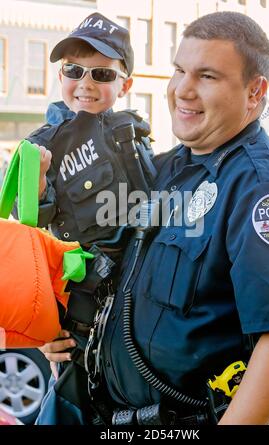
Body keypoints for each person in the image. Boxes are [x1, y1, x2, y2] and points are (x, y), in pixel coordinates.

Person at [42, 11, 269, 425]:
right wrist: (54, 332)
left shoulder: (263, 187)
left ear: (255, 92)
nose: (183, 90)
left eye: (207, 76)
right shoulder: (160, 169)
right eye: (179, 70)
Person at [18, 12, 155, 425]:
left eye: (102, 74)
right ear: (60, 74)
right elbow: (27, 233)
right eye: (74, 70)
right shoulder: (40, 146)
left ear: (125, 85)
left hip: (140, 306)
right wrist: (37, 183)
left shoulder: (130, 132)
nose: (86, 84)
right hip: (81, 313)